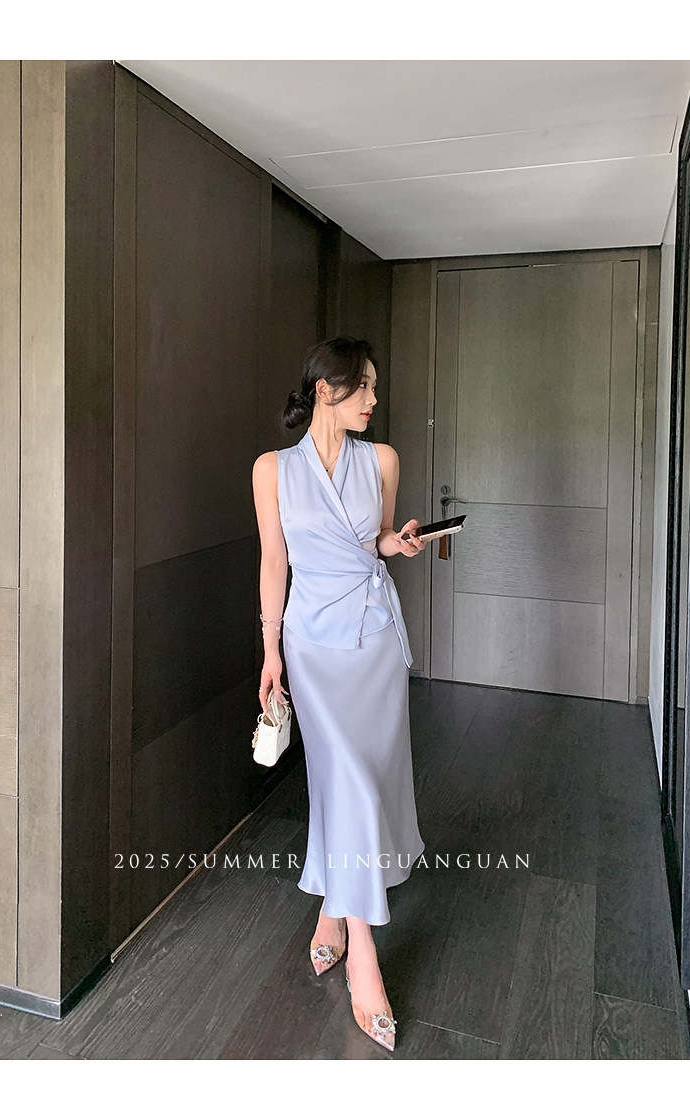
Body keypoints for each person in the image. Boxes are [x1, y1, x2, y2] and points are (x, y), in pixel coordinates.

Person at [251, 336, 426, 1052]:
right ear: (326, 389)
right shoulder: (272, 470)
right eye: (366, 388)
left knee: (358, 783)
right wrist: (270, 651)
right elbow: (274, 561)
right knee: (343, 777)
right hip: (311, 646)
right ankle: (363, 954)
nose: (375, 401)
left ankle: (333, 906)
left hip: (373, 639)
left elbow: (376, 541)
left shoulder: (381, 460)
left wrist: (400, 543)